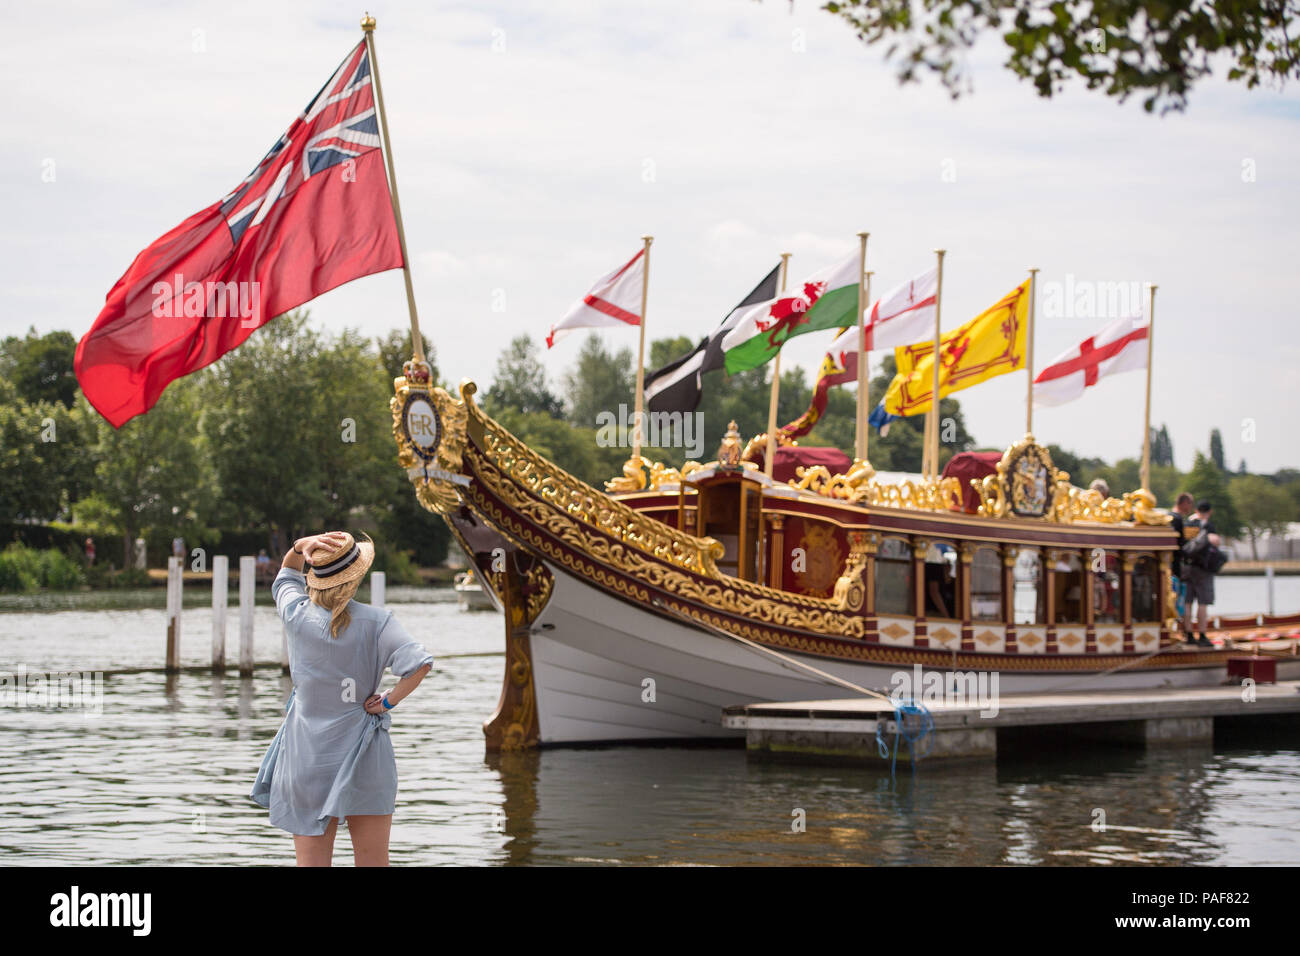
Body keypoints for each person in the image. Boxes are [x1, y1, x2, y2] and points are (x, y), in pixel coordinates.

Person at [250, 531, 434, 866]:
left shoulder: (295, 613)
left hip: (306, 757)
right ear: (358, 576)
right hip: (365, 754)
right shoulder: (379, 623)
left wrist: (299, 546)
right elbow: (420, 665)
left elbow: (285, 576)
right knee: (373, 862)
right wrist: (388, 701)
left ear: (316, 577)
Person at [1181, 500, 1221, 647]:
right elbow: (1215, 541)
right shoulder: (1207, 525)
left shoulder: (1187, 523)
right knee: (1202, 603)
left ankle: (1188, 634)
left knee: (1187, 602)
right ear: (1209, 512)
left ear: (1196, 510)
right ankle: (1202, 635)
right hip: (1203, 569)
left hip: (1186, 567)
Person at [1169, 492, 1195, 637]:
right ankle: (1182, 632)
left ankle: (1180, 631)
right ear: (1184, 503)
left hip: (1168, 566)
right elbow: (1180, 546)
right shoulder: (1177, 519)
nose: (1191, 507)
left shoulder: (1169, 516)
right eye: (1190, 504)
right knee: (1177, 600)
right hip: (1175, 567)